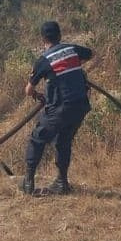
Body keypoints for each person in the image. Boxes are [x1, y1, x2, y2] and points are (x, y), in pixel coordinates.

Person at [21, 21, 94, 196]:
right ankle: (62, 182)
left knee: (37, 138)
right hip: (81, 106)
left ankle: (28, 182)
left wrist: (37, 95)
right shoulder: (72, 49)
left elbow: (28, 90)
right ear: (60, 36)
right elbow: (91, 54)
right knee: (63, 140)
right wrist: (77, 68)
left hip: (61, 109)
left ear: (43, 39)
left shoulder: (43, 60)